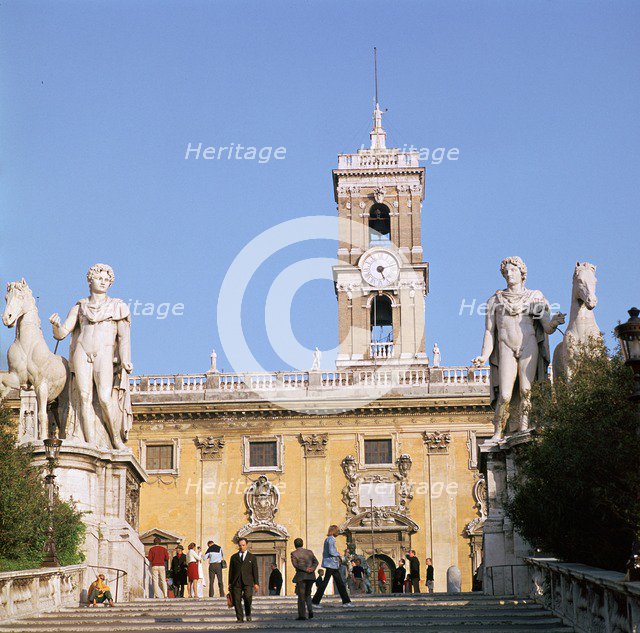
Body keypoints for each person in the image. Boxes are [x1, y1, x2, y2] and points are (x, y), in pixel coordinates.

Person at [311, 525, 352, 608]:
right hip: (331, 564)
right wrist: (339, 555)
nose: (338, 532)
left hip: (332, 564)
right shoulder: (331, 539)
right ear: (334, 531)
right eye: (337, 531)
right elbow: (331, 551)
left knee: (339, 583)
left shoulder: (328, 539)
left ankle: (346, 601)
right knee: (328, 583)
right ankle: (315, 602)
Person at [228, 537, 260, 623]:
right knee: (237, 600)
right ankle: (240, 618)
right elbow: (231, 571)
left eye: (243, 545)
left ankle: (248, 614)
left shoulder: (252, 557)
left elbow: (255, 571)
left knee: (248, 597)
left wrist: (256, 583)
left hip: (248, 581)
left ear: (247, 545)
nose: (241, 547)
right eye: (240, 545)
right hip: (236, 581)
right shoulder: (233, 557)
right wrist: (230, 583)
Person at [290, 537, 319, 621]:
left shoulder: (294, 553)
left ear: (295, 545)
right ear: (302, 544)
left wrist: (305, 569)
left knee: (301, 596)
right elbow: (316, 562)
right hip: (311, 576)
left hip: (301, 576)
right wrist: (312, 568)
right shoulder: (309, 552)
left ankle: (302, 615)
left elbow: (296, 565)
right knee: (308, 594)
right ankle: (310, 612)